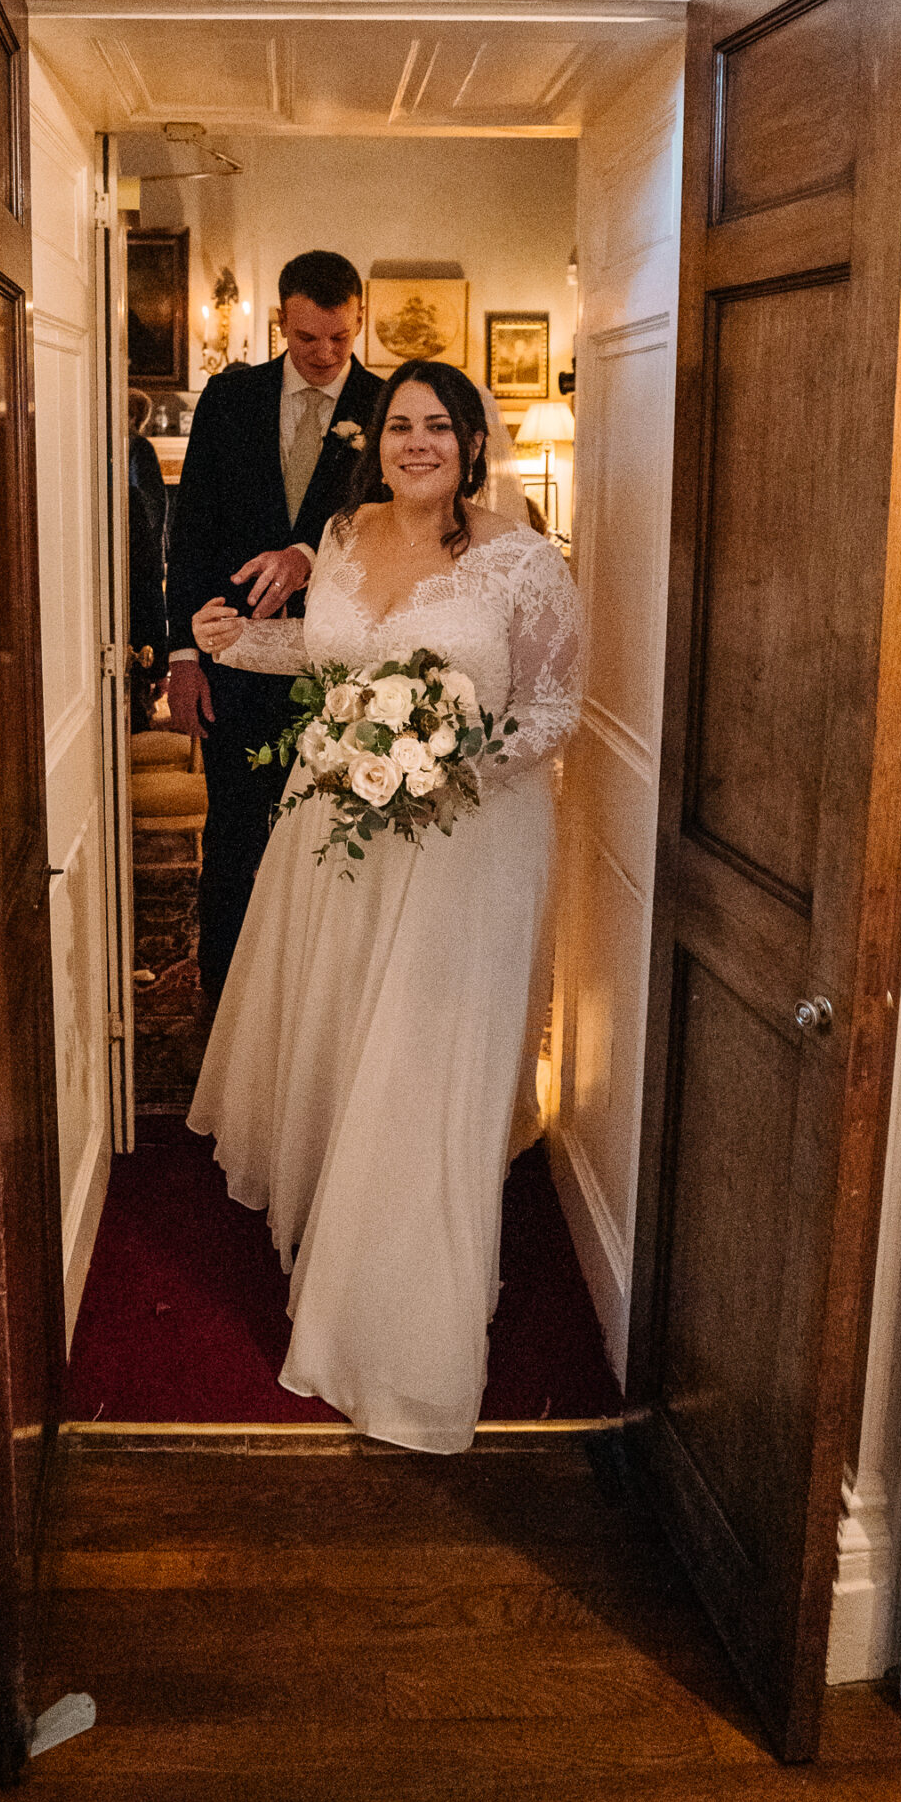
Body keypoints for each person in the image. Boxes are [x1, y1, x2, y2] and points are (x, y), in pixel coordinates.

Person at [186, 360, 584, 1452]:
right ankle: (330, 1218)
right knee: (348, 1030)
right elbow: (334, 664)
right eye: (401, 425)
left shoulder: (520, 560)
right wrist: (240, 643)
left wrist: (447, 764)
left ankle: (402, 1304)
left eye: (439, 427)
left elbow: (555, 708)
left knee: (420, 1058)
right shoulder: (346, 536)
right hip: (335, 838)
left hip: (465, 843)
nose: (418, 443)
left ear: (470, 442)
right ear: (377, 440)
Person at [166, 250, 382, 1001]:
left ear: (359, 323)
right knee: (232, 836)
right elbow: (188, 529)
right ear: (280, 324)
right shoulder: (230, 400)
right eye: (306, 339)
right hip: (234, 659)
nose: (324, 356)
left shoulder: (388, 409)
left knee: (334, 839)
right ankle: (225, 999)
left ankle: (319, 998)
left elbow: (393, 533)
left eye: (340, 339)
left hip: (347, 676)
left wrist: (309, 552)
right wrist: (184, 654)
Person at [127, 388, 171, 731]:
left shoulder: (133, 448)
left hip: (133, 553)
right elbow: (154, 507)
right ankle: (142, 702)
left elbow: (151, 505)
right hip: (140, 554)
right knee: (144, 621)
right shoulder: (138, 448)